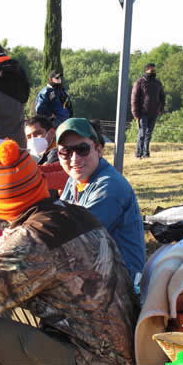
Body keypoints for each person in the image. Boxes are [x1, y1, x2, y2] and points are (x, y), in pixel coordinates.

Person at [0, 140, 138, 365]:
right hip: (116, 348)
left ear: (0, 204)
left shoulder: (34, 238)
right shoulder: (74, 214)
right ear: (40, 181)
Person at [57, 118, 145, 281]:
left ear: (99, 149)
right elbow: (59, 219)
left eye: (82, 149)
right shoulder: (75, 179)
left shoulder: (110, 186)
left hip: (121, 285)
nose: (74, 158)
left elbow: (73, 238)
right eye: (66, 152)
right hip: (94, 272)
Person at [131, 63, 165, 159]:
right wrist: (135, 114)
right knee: (142, 134)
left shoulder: (158, 83)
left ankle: (146, 154)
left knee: (148, 135)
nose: (153, 72)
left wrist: (160, 110)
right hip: (142, 113)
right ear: (146, 71)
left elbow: (162, 97)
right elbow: (134, 99)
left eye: (154, 70)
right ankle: (138, 154)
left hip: (154, 113)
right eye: (151, 70)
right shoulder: (139, 82)